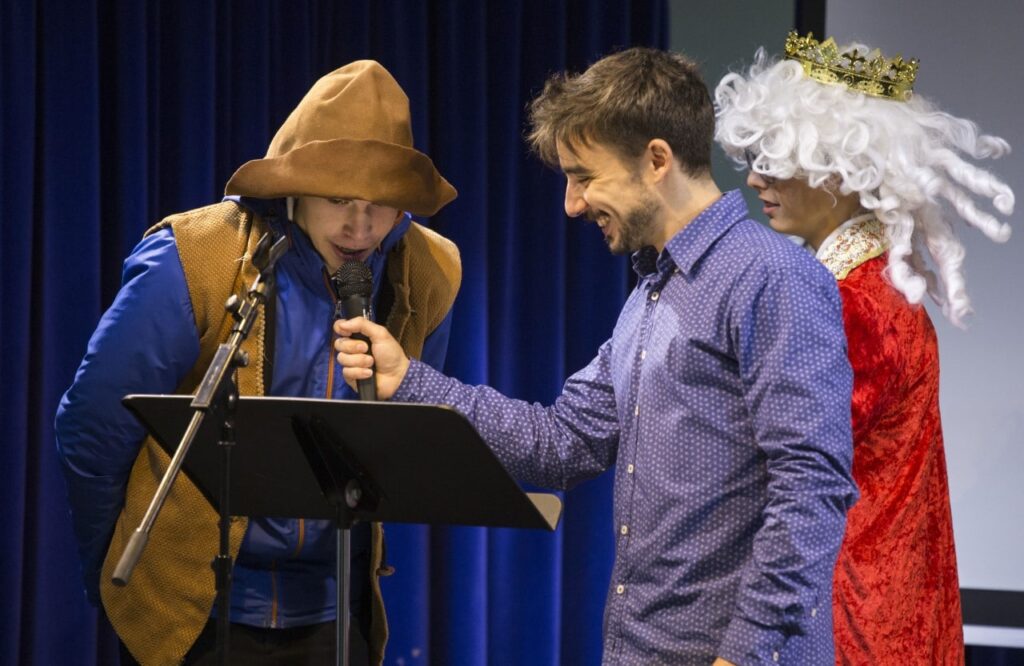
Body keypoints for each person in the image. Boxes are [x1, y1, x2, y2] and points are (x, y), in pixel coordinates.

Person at [335, 47, 857, 665]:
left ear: (657, 160)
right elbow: (564, 441)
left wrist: (742, 654)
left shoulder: (773, 277)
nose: (572, 204)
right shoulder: (651, 295)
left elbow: (812, 485)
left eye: (585, 176)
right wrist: (412, 380)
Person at [55, 60, 462, 665]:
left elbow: (402, 438)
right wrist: (111, 571)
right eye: (338, 198)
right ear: (293, 187)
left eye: (382, 205)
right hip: (192, 610)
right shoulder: (193, 255)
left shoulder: (429, 269)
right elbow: (93, 427)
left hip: (333, 611)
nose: (360, 225)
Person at [714, 32, 1015, 665]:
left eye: (776, 158)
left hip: (852, 619)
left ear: (844, 172)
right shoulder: (875, 286)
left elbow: (790, 465)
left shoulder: (853, 303)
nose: (755, 178)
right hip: (889, 604)